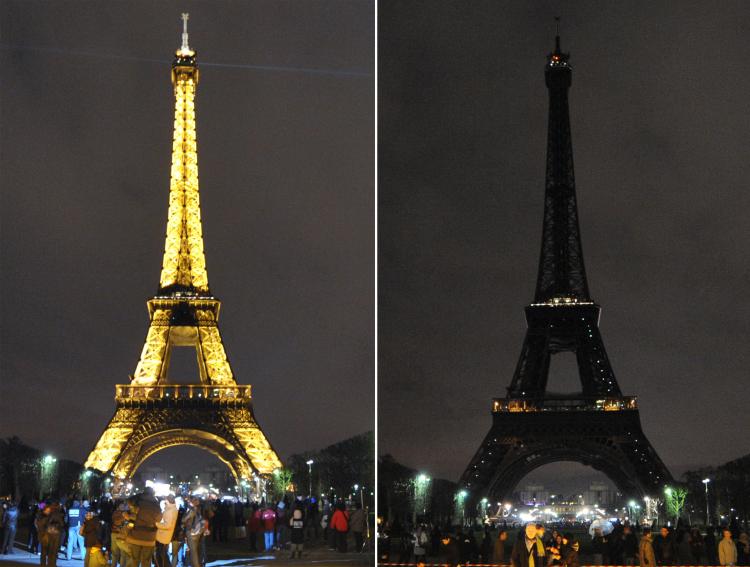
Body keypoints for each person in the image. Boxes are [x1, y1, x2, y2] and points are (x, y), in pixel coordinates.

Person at [125, 489, 162, 567]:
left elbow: (128, 500)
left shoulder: (138, 502)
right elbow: (159, 519)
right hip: (149, 538)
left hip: (136, 536)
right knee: (146, 561)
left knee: (135, 560)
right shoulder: (156, 505)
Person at [37, 500, 65, 567]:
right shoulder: (56, 514)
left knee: (44, 552)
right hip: (53, 535)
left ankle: (43, 565)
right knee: (52, 552)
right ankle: (51, 564)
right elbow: (61, 524)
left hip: (45, 534)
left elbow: (39, 523)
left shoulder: (44, 512)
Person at [155, 495, 178, 567]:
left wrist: (156, 524)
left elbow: (167, 525)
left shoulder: (170, 511)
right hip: (165, 535)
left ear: (167, 500)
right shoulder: (172, 509)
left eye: (165, 500)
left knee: (162, 556)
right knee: (162, 555)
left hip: (163, 536)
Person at [183, 497, 204, 567]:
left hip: (192, 532)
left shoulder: (192, 509)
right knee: (195, 551)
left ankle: (196, 565)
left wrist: (183, 519)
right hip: (197, 532)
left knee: (193, 552)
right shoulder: (199, 509)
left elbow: (184, 519)